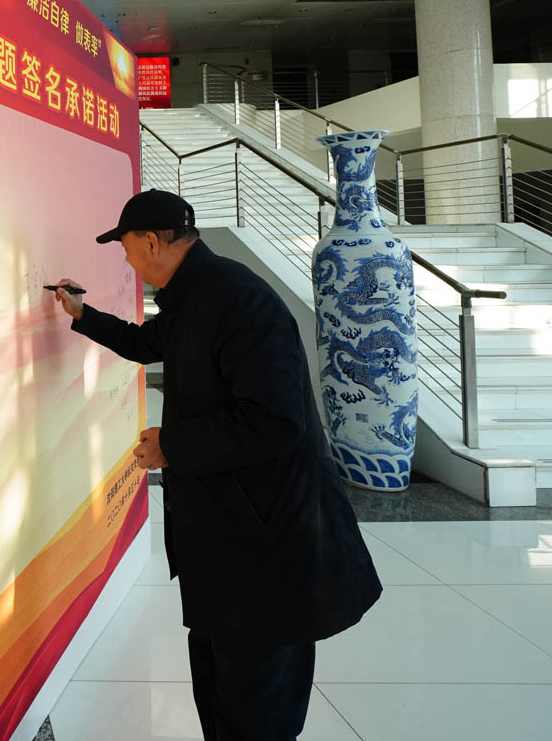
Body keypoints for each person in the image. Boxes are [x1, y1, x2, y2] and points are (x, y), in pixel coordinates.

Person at [53, 189, 382, 741]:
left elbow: (276, 421)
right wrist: (82, 315)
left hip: (267, 542)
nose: (127, 260)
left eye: (127, 248)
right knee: (221, 685)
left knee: (256, 705)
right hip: (229, 542)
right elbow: (144, 343)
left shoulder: (234, 298)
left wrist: (172, 446)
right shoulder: (191, 295)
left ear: (152, 241)